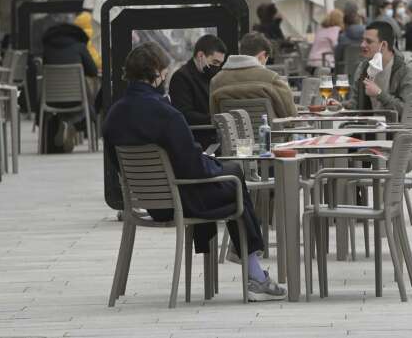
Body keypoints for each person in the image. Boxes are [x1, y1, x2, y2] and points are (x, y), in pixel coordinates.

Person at [102, 42, 285, 301]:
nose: (165, 77)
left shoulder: (113, 114)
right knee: (234, 177)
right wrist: (211, 162)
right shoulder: (166, 114)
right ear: (155, 73)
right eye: (164, 72)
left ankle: (249, 265)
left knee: (230, 177)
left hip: (148, 202)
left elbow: (115, 162)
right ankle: (254, 272)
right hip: (181, 198)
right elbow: (194, 168)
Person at [338, 20, 412, 117]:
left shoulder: (407, 69)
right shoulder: (363, 67)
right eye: (363, 40)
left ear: (383, 45)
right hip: (370, 130)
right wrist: (340, 107)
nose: (362, 45)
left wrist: (379, 94)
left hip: (398, 131)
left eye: (368, 41)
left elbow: (410, 112)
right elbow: (356, 104)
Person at [41, 20, 99, 153]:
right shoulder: (79, 47)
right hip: (77, 99)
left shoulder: (48, 49)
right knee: (86, 90)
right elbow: (93, 71)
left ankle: (64, 124)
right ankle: (72, 124)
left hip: (51, 100)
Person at [210, 31, 297, 119]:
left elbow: (215, 119)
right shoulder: (272, 79)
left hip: (231, 132)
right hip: (268, 132)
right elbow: (291, 117)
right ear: (262, 56)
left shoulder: (216, 81)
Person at [169, 34, 227, 150]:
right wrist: (214, 118)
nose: (217, 68)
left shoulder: (211, 77)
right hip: (198, 141)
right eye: (215, 62)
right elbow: (184, 113)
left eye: (220, 64)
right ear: (201, 55)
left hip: (214, 138)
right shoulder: (181, 77)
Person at [335, 5, 365, 73]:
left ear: (345, 24)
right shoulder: (368, 35)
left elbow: (337, 57)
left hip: (345, 73)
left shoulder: (342, 37)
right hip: (365, 71)